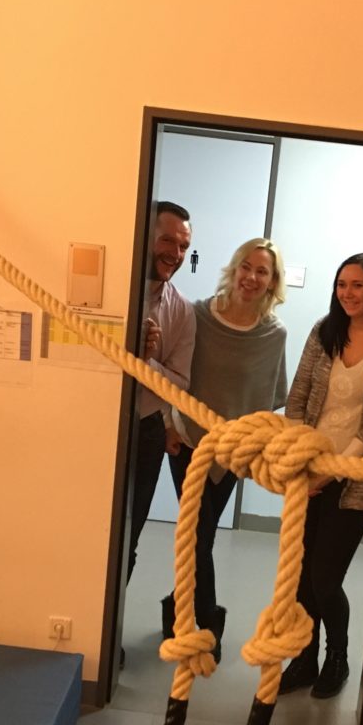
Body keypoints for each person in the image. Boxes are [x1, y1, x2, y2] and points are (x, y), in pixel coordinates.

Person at [278, 253, 363, 699]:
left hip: (353, 480)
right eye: (341, 285)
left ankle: (338, 657)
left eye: (357, 285)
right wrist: (301, 461)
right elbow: (298, 397)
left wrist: (331, 474)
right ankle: (304, 659)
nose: (347, 294)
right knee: (299, 577)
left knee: (325, 578)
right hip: (306, 472)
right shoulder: (324, 330)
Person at [161, 238, 289, 662]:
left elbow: (267, 398)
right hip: (188, 442)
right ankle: (208, 620)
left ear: (272, 281)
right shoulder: (197, 316)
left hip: (234, 453)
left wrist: (255, 451)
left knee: (201, 536)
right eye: (246, 267)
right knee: (197, 536)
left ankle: (175, 605)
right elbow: (174, 377)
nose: (251, 277)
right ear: (234, 268)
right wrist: (168, 424)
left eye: (262, 272)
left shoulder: (273, 334)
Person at [121, 203, 195, 670]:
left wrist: (145, 360)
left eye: (184, 246)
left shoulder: (181, 311)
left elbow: (179, 385)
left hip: (146, 431)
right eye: (168, 240)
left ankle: (106, 626)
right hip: (100, 428)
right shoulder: (115, 292)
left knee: (127, 535)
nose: (176, 253)